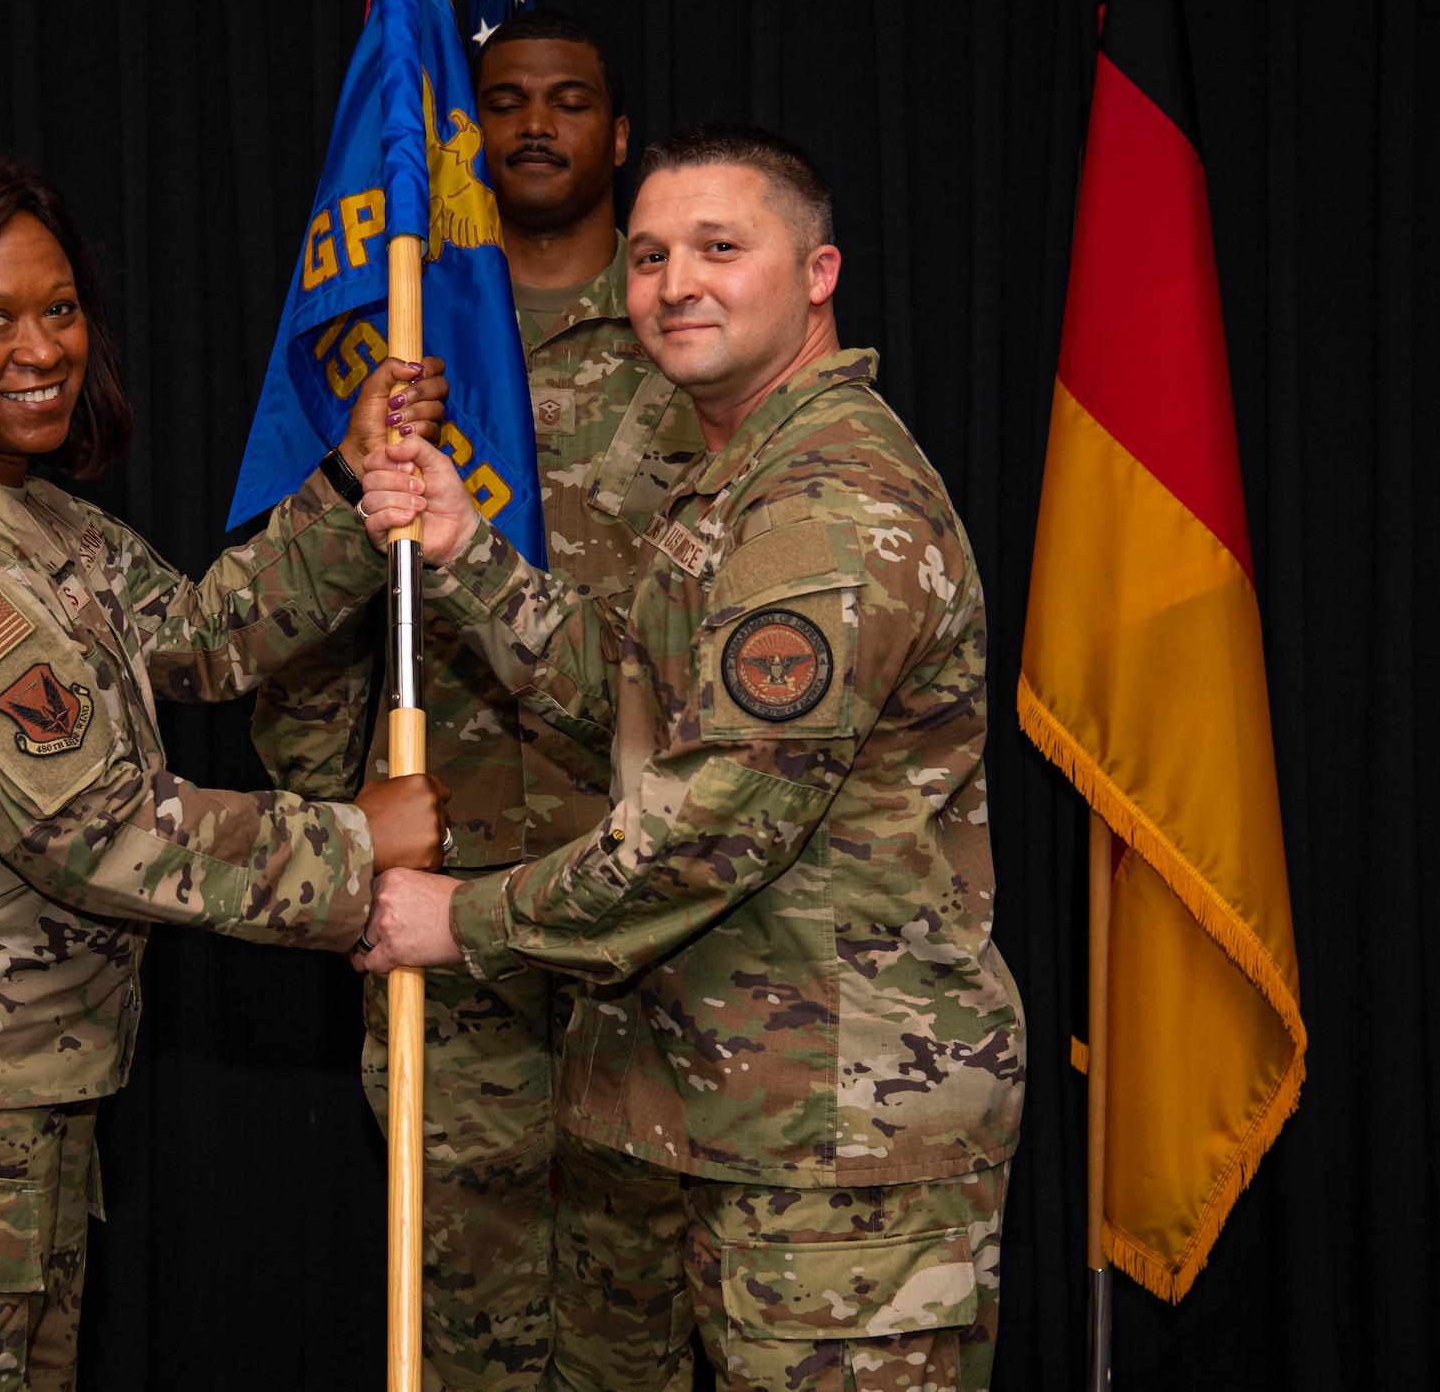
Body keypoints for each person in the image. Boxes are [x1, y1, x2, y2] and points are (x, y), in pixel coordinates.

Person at [0, 149, 449, 1392]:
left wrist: (346, 478)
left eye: (57, 308)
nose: (41, 347)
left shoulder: (33, 519)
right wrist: (351, 840)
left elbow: (202, 639)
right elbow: (96, 831)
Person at [352, 124, 1025, 1392]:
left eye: (722, 247)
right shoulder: (743, 474)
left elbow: (710, 819)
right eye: (651, 254)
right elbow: (637, 701)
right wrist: (466, 552)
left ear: (816, 273)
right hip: (755, 1114)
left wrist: (465, 918)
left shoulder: (829, 505)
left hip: (840, 1139)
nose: (675, 283)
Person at [250, 11, 703, 1391]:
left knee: (640, 1327)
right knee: (462, 1329)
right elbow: (317, 632)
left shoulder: (690, 361)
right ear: (468, 133)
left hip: (648, 926)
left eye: (570, 102)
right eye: (502, 101)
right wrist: (343, 844)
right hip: (453, 917)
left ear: (619, 137)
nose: (534, 127)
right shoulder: (412, 358)